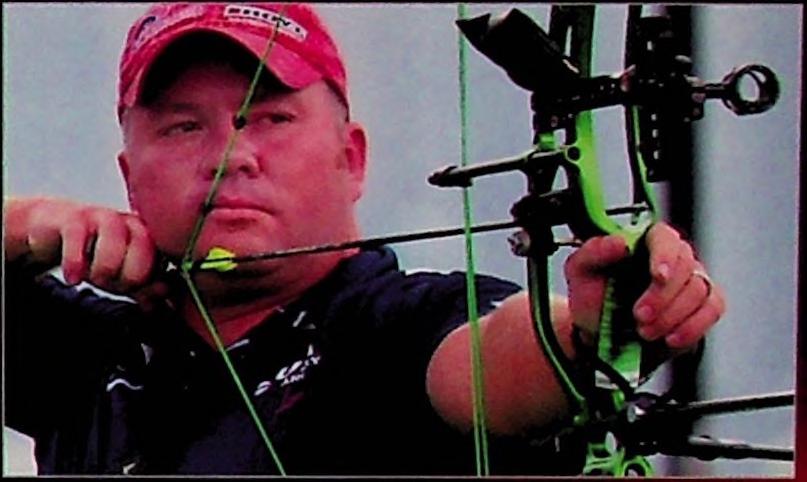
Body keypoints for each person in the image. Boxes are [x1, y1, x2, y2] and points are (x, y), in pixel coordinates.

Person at [4, 3, 724, 475]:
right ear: (129, 180)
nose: (230, 156)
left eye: (271, 119)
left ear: (351, 159)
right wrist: (27, 225)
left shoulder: (395, 325)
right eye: (184, 127)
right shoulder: (90, 356)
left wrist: (592, 328)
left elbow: (499, 362)